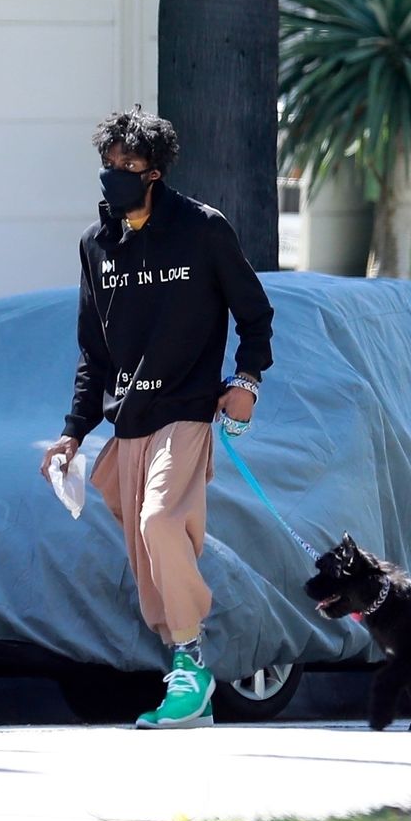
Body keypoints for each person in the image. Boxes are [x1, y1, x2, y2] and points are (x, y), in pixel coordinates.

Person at [40, 106, 274, 729]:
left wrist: (247, 381)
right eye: (108, 162)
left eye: (130, 163)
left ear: (155, 172)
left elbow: (254, 314)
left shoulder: (201, 228)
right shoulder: (96, 245)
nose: (115, 173)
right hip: (128, 420)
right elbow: (93, 352)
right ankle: (184, 670)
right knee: (147, 550)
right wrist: (71, 433)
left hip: (186, 411)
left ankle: (193, 664)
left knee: (161, 522)